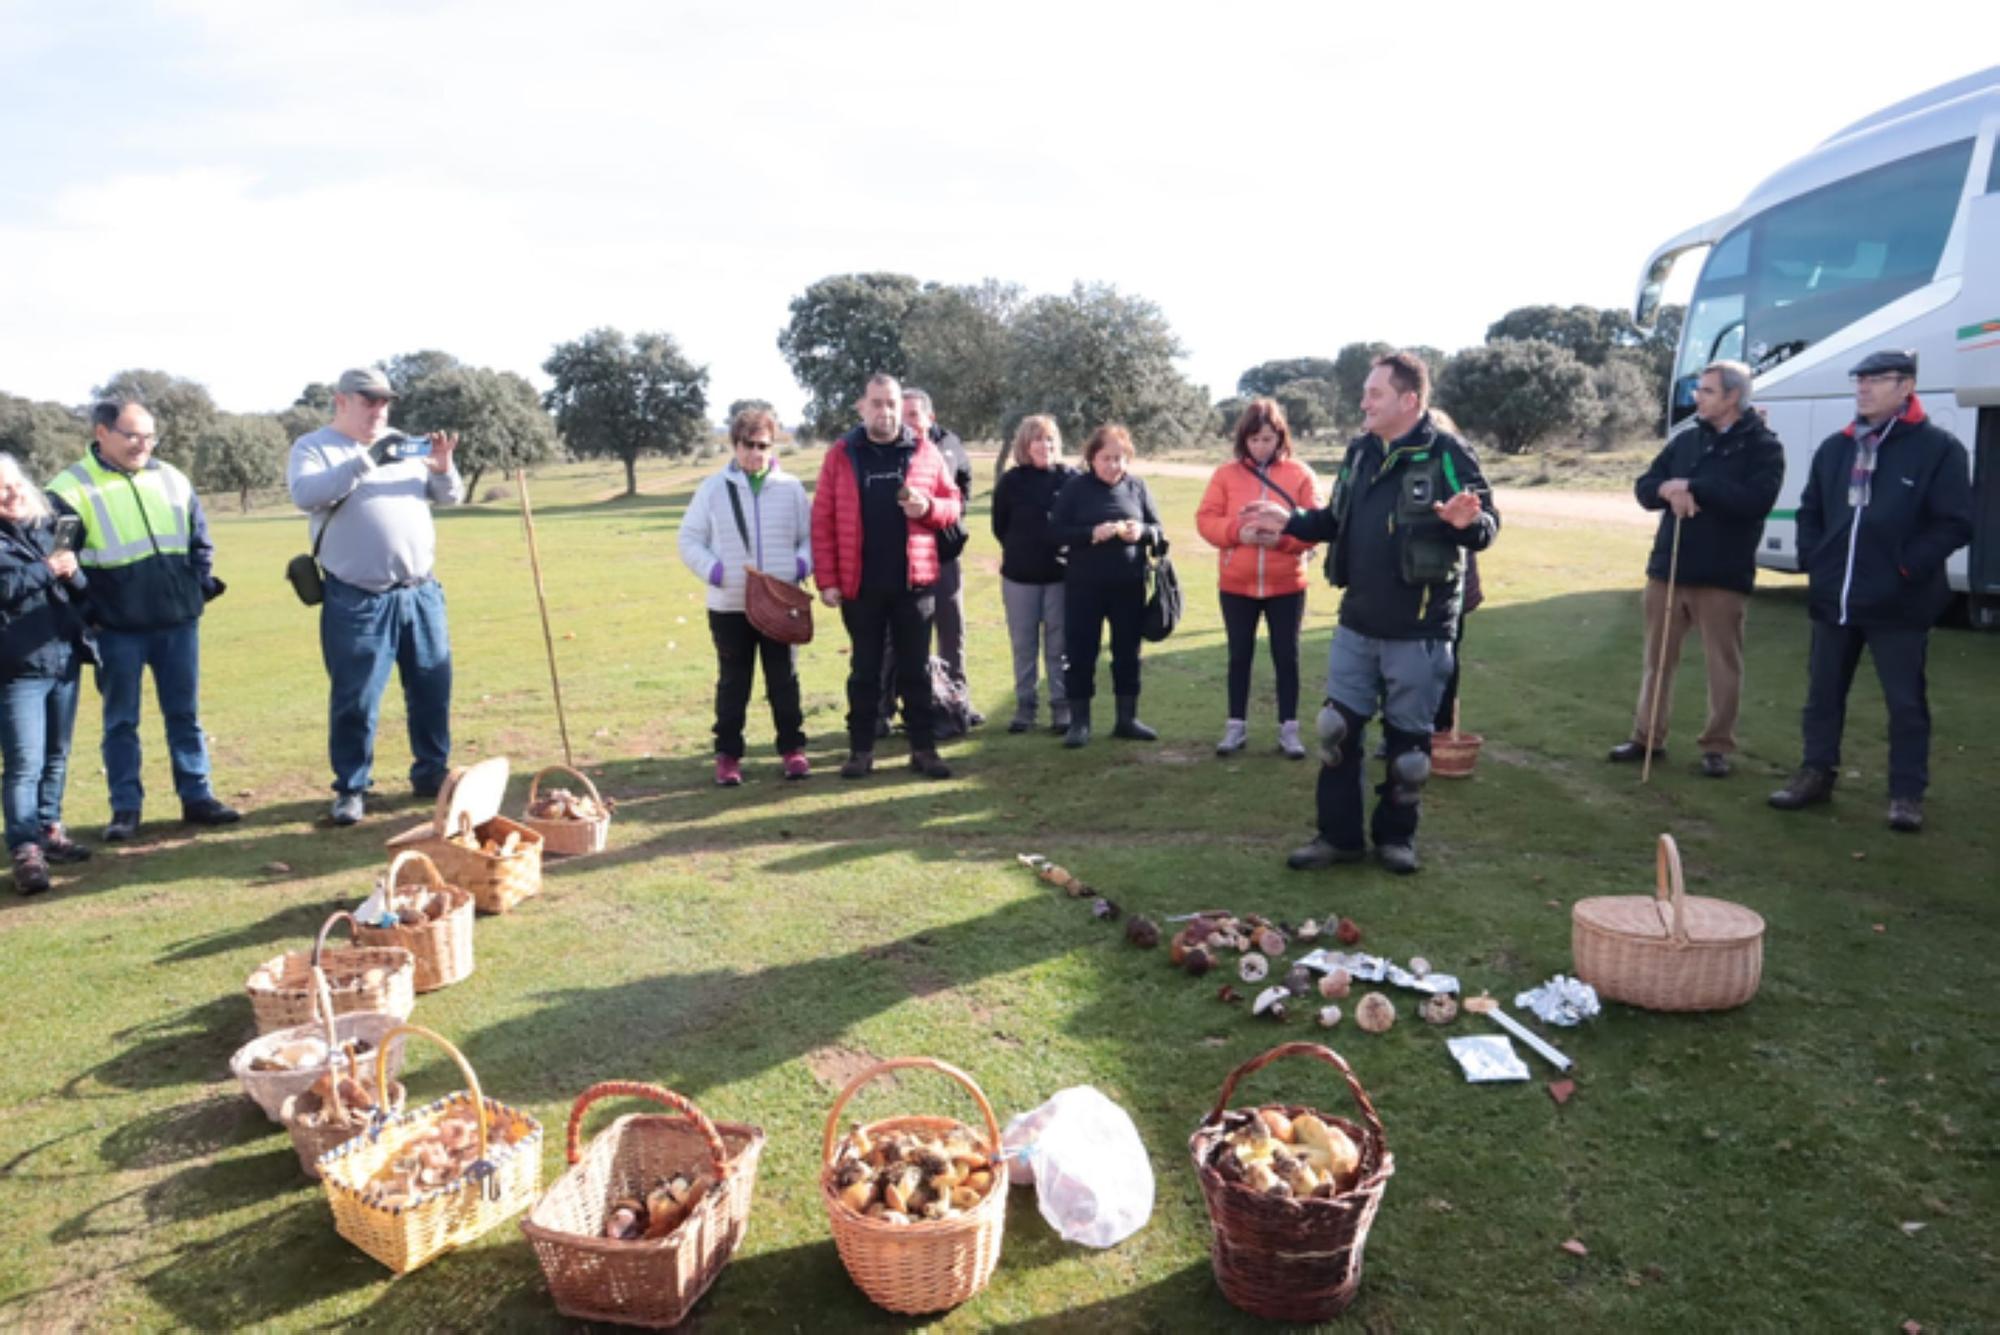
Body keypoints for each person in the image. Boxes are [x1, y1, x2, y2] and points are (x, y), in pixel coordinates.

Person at [1259, 351, 1498, 875]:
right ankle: (1337, 838)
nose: (1363, 402)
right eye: (1365, 392)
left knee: (1409, 749)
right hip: (1358, 621)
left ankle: (1397, 839)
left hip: (1421, 628)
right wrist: (1292, 520)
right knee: (1335, 730)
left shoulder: (1447, 452)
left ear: (1409, 400)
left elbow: (1486, 526)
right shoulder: (1361, 452)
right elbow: (1334, 519)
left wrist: (1465, 523)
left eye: (1374, 394)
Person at [1769, 350, 1972, 832]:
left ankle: (1906, 794)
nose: (1863, 388)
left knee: (1904, 702)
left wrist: (1905, 568)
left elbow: (1954, 523)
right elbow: (1810, 510)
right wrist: (1814, 561)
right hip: (1834, 597)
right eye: (1859, 380)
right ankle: (1815, 774)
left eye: (1876, 380)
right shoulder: (1836, 448)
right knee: (1822, 695)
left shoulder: (1938, 449)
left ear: (1906, 386)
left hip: (1899, 603)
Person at [46, 400, 239, 841]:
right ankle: (125, 809)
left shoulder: (172, 478)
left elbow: (199, 541)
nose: (143, 444)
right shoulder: (70, 488)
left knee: (184, 715)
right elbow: (61, 557)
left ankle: (197, 796)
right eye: (132, 435)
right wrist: (91, 613)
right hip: (115, 631)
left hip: (177, 622)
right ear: (102, 433)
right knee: (120, 722)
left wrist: (197, 587)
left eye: (150, 436)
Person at [286, 367, 464, 826]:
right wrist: (368, 460)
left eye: (384, 401)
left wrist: (443, 470)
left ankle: (431, 773)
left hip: (419, 591)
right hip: (358, 597)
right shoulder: (313, 447)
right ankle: (351, 787)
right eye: (369, 400)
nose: (379, 410)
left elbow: (449, 496)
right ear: (341, 401)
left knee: (431, 688)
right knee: (357, 698)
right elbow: (306, 495)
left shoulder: (404, 443)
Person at [1608, 360, 1784, 777]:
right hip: (1668, 569)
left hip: (1722, 575)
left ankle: (1716, 746)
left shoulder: (1763, 447)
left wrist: (1695, 487)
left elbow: (1755, 501)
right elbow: (1645, 487)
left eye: (1706, 391)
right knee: (1656, 660)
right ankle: (1647, 736)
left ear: (1732, 397)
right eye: (1698, 390)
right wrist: (1668, 488)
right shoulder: (1686, 441)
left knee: (1723, 665)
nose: (1696, 397)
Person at [811, 373, 962, 780]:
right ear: (863, 406)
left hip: (914, 584)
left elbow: (954, 505)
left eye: (892, 403)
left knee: (915, 671)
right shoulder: (842, 454)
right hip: (860, 587)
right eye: (877, 403)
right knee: (865, 671)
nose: (886, 411)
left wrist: (928, 507)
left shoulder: (925, 451)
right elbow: (822, 520)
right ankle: (860, 751)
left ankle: (924, 749)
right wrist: (827, 579)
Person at [677, 406, 813, 785]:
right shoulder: (712, 489)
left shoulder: (790, 489)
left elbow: (810, 538)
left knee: (783, 679)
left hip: (780, 603)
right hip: (730, 604)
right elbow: (689, 539)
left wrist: (800, 567)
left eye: (763, 445)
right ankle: (728, 756)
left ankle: (793, 750)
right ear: (734, 446)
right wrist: (714, 571)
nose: (755, 453)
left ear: (773, 446)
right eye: (748, 445)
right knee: (734, 682)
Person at [1195, 398, 1321, 759]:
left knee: (1287, 655)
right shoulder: (1225, 475)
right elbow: (1206, 520)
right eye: (1254, 439)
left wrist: (1284, 540)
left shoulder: (1300, 474)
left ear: (1281, 437)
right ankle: (1235, 726)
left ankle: (1289, 729)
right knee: (1239, 655)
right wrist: (1237, 532)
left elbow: (1316, 526)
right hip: (1237, 584)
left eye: (1268, 438)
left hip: (1287, 584)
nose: (1261, 446)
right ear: (1243, 440)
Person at [0, 454, 95, 893]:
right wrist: (46, 569)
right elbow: (6, 589)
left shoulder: (46, 528)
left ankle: (49, 829)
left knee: (57, 755)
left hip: (62, 656)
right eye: (2, 488)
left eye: (16, 483)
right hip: (16, 667)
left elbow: (78, 591)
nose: (13, 493)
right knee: (24, 763)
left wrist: (73, 573)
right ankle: (25, 848)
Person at [1048, 424, 1164, 747]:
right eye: (1106, 458)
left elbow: (1159, 531)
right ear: (1091, 458)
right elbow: (1055, 532)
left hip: (1129, 586)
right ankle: (1080, 723)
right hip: (1085, 587)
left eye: (1119, 458)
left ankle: (1127, 719)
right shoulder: (1075, 488)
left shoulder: (1137, 488)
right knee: (1081, 653)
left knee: (1127, 653)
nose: (1113, 465)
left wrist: (1140, 531)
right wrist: (1090, 534)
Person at [895, 389, 980, 725]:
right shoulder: (891, 449)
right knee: (897, 638)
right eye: (904, 415)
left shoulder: (950, 445)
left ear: (930, 417)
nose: (908, 422)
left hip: (944, 556)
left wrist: (951, 523)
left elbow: (964, 484)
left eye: (914, 415)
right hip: (904, 559)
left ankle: (958, 701)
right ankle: (889, 707)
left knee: (951, 629)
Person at [991, 415, 1075, 733]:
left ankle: (1061, 707)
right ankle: (1025, 707)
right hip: (1019, 578)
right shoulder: (1011, 482)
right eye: (1038, 439)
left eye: (1050, 439)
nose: (1045, 445)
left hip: (1060, 578)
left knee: (1058, 646)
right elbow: (1000, 526)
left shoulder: (1070, 478)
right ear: (1025, 445)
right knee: (1024, 646)